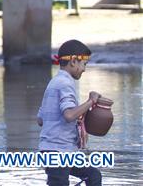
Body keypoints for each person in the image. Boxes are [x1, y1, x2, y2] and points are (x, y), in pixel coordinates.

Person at [37, 40, 104, 186]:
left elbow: (40, 120)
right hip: (58, 151)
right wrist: (91, 101)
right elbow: (69, 115)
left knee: (93, 175)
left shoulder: (53, 83)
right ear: (73, 61)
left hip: (56, 150)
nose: (84, 69)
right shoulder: (65, 84)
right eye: (84, 64)